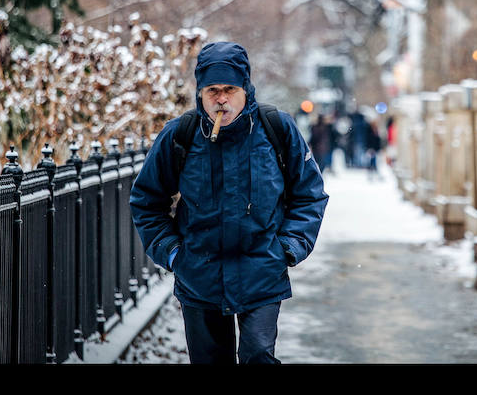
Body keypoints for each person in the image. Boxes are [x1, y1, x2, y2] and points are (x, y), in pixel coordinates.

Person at [129, 41, 328, 364]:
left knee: (259, 356)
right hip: (199, 275)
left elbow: (309, 194)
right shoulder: (180, 135)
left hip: (262, 271)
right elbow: (146, 201)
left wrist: (288, 247)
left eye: (230, 89)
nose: (221, 98)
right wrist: (175, 253)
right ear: (200, 93)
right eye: (212, 90)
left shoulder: (276, 128)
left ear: (246, 88)